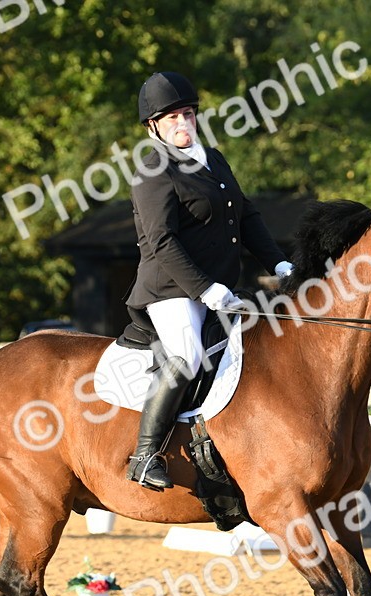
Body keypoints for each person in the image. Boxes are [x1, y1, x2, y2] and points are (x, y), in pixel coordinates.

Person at [125, 71, 293, 491]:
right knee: (186, 355)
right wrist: (204, 289)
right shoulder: (153, 170)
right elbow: (162, 241)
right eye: (172, 118)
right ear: (153, 126)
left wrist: (279, 263)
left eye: (187, 114)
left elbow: (247, 216)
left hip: (220, 289)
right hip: (170, 290)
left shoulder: (213, 160)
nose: (183, 123)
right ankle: (145, 455)